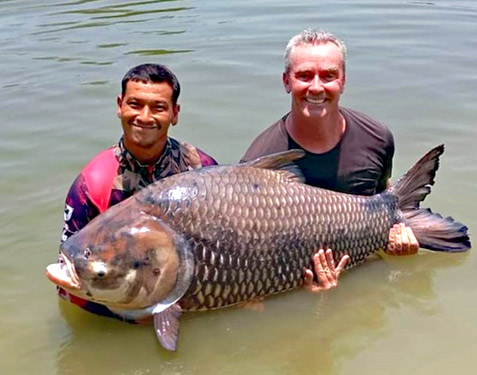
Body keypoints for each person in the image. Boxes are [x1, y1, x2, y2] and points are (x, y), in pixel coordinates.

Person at [58, 63, 345, 322]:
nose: (144, 117)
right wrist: (132, 315)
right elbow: (69, 289)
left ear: (175, 113)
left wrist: (250, 289)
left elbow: (237, 235)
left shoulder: (200, 166)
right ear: (120, 106)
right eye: (135, 104)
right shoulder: (92, 184)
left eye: (158, 107)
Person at [241, 29, 419, 273]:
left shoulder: (377, 137)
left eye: (328, 76)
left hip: (361, 267)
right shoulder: (259, 160)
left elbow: (382, 194)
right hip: (299, 277)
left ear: (343, 81)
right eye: (304, 75)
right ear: (286, 81)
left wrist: (398, 237)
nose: (316, 88)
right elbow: (256, 255)